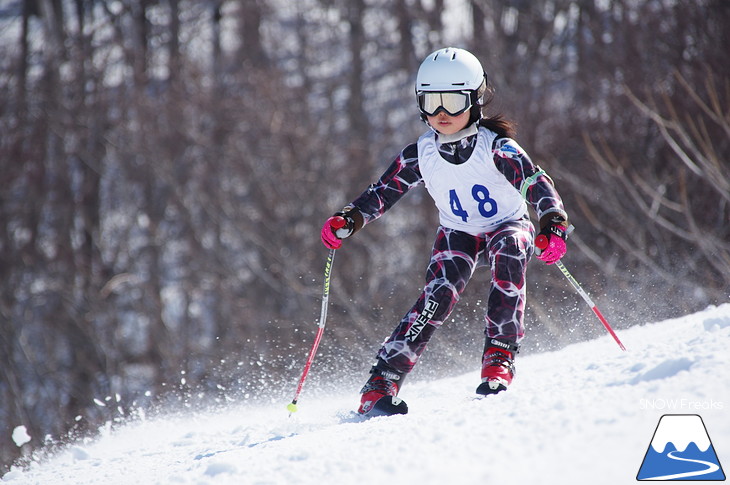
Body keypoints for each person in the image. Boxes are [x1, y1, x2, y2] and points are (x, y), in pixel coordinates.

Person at [320, 47, 571, 417]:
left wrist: (553, 224)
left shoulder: (497, 148)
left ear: (475, 99)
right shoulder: (420, 154)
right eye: (431, 102)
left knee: (512, 249)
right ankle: (382, 381)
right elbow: (383, 192)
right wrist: (350, 219)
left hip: (507, 225)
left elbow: (536, 183)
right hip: (459, 233)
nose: (441, 114)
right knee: (438, 295)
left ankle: (499, 355)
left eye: (452, 101)